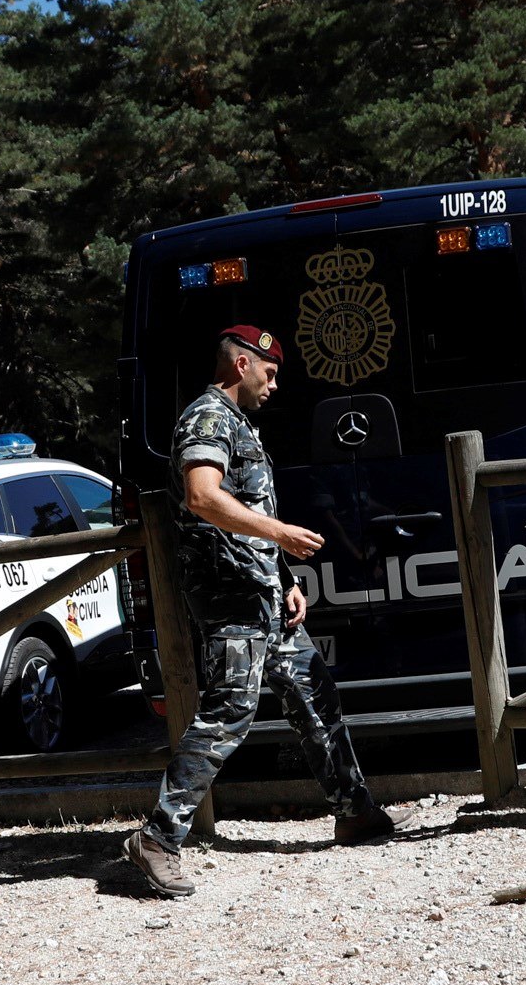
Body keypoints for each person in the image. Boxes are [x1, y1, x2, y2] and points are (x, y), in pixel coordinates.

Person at [122, 325, 391, 898]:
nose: (274, 385)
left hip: (263, 592)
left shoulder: (240, 423)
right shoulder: (207, 418)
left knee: (314, 693)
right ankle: (158, 839)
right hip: (230, 597)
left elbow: (246, 509)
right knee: (229, 713)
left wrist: (285, 575)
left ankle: (356, 811)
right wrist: (281, 533)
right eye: (268, 374)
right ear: (240, 364)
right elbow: (202, 495)